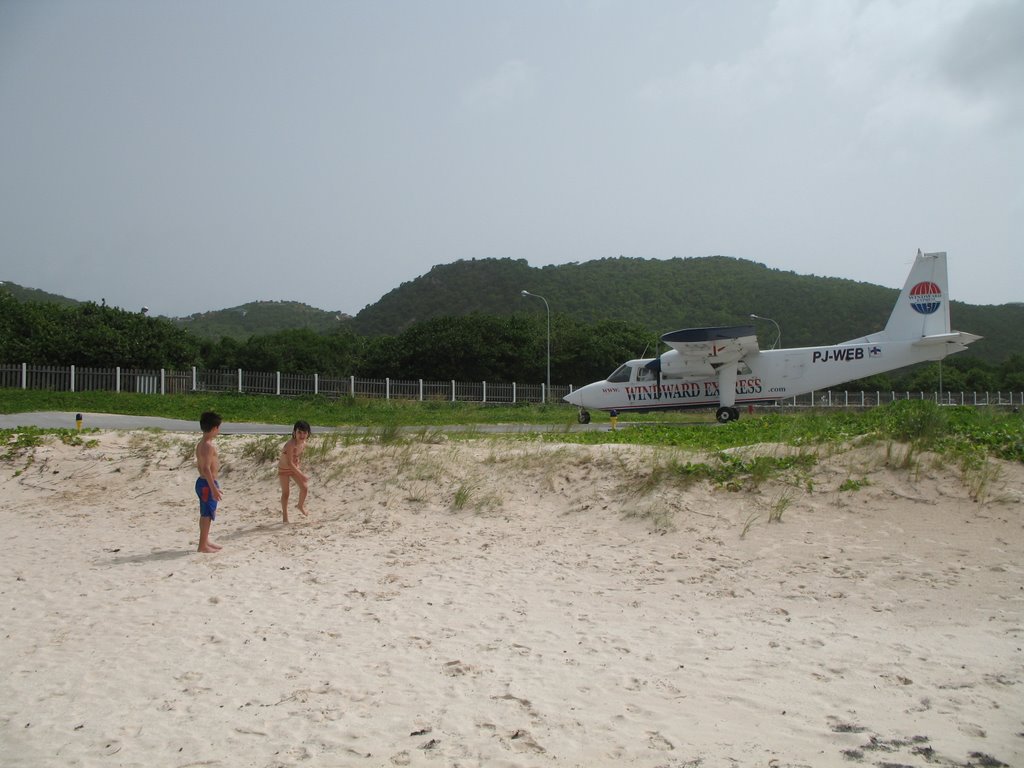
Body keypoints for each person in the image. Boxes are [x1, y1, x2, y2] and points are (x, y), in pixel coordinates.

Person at [194, 411, 224, 553]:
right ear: (214, 428)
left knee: (205, 513)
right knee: (207, 515)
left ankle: (205, 540)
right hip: (207, 483)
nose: (219, 430)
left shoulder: (201, 443)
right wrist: (214, 488)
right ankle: (202, 545)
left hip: (203, 482)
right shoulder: (208, 446)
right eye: (218, 428)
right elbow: (206, 469)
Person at [278, 420, 311, 522]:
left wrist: (298, 464)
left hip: (293, 468)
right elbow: (289, 463)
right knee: (286, 493)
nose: (302, 435)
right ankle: (285, 517)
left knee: (304, 488)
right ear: (294, 432)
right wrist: (301, 474)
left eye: (304, 433)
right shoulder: (290, 444)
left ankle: (300, 506)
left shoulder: (304, 443)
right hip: (284, 469)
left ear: (308, 434)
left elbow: (296, 456)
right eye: (299, 432)